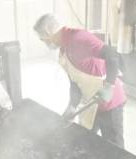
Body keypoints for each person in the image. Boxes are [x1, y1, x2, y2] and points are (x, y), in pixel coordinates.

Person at [34, 13, 126, 148]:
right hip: (90, 103)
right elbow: (75, 82)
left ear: (49, 32)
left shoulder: (78, 38)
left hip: (109, 102)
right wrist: (72, 105)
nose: (45, 43)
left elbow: (112, 56)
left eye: (43, 39)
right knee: (86, 145)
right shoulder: (63, 50)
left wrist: (109, 86)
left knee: (116, 150)